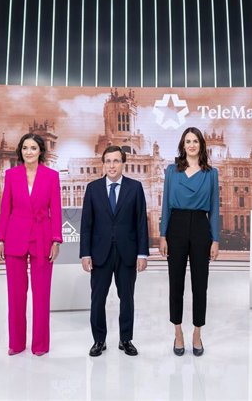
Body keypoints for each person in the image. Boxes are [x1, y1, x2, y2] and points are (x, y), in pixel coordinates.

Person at [0, 133, 62, 356]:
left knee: (41, 294)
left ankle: (40, 345)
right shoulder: (11, 175)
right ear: (20, 151)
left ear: (40, 151)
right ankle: (16, 343)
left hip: (43, 238)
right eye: (25, 148)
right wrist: (0, 239)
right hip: (15, 237)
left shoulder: (51, 176)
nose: (29, 152)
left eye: (33, 148)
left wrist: (56, 240)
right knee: (15, 294)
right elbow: (6, 209)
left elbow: (56, 210)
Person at [80, 145, 149, 357]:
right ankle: (99, 340)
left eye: (116, 161)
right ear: (103, 164)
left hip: (127, 253)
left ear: (123, 163)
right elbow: (86, 224)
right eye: (108, 161)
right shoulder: (92, 189)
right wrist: (85, 253)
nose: (112, 165)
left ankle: (125, 339)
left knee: (127, 298)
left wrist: (142, 253)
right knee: (97, 299)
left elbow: (140, 223)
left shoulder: (135, 188)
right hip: (100, 253)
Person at [160, 127, 219, 357]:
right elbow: (165, 204)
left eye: (195, 141)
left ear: (201, 145)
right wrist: (163, 235)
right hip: (175, 225)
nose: (192, 145)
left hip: (201, 228)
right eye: (188, 141)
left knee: (200, 285)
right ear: (182, 145)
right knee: (176, 283)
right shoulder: (171, 171)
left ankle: (197, 332)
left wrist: (215, 239)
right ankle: (178, 332)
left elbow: (214, 209)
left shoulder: (211, 173)